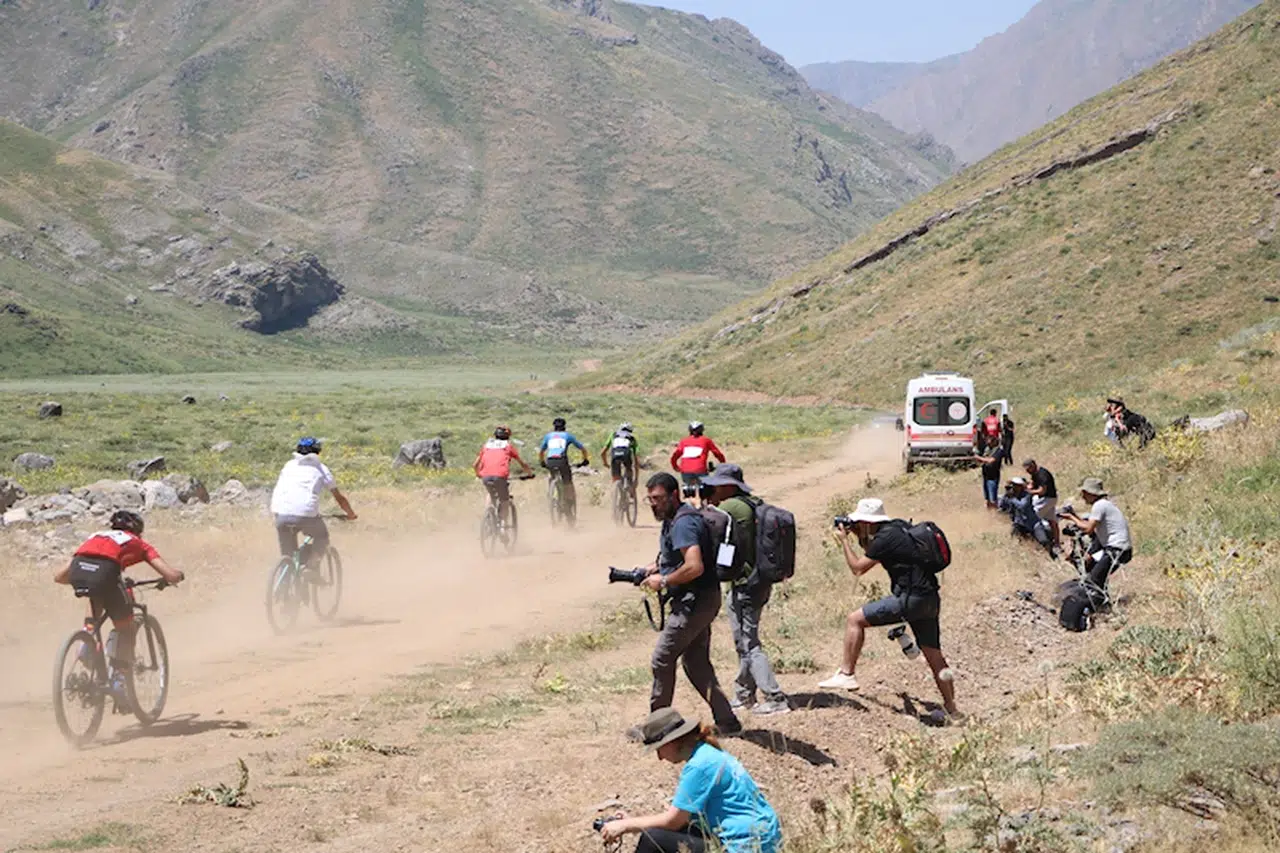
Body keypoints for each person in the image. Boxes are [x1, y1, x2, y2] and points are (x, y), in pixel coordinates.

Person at [820, 498, 959, 720]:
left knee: (855, 619)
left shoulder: (885, 537)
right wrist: (859, 534)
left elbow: (858, 568)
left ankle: (847, 674)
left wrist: (844, 540)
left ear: (866, 520)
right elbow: (874, 551)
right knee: (934, 655)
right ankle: (952, 709)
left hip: (909, 599)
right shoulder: (899, 526)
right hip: (929, 598)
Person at [633, 472, 741, 734]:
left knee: (662, 659)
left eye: (657, 498)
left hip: (695, 602)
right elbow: (679, 557)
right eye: (649, 499)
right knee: (696, 663)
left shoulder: (683, 523)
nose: (653, 504)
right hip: (701, 599)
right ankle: (727, 721)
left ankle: (657, 728)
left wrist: (666, 580)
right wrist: (653, 569)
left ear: (673, 495)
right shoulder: (675, 519)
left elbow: (694, 566)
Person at [601, 707, 781, 853]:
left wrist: (626, 825)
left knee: (652, 839)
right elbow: (686, 819)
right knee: (663, 833)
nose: (660, 758)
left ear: (670, 743)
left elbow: (673, 821)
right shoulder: (709, 753)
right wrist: (634, 823)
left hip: (744, 846)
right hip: (762, 840)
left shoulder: (699, 765)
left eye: (658, 749)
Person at [53, 510, 185, 708]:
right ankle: (119, 681)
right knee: (126, 628)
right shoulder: (138, 543)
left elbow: (59, 576)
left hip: (80, 566)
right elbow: (169, 574)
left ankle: (86, 640)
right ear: (138, 531)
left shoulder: (97, 536)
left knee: (95, 593)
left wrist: (85, 579)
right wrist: (177, 576)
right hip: (106, 571)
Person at [701, 464, 789, 716]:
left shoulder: (731, 506)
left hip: (745, 584)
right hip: (756, 580)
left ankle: (775, 697)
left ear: (728, 486)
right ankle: (744, 694)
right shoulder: (751, 502)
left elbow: (705, 523)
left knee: (749, 644)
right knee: (743, 641)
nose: (712, 489)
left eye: (716, 485)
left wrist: (701, 504)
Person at [270, 437, 358, 574]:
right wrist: (351, 514)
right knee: (322, 537)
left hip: (281, 514)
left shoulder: (288, 465)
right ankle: (311, 568)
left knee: (288, 556)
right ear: (317, 452)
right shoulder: (321, 469)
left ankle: (285, 583)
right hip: (305, 515)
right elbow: (339, 498)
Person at [1059, 478, 1133, 595]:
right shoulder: (1104, 504)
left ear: (1090, 493)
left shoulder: (1099, 505)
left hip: (1117, 549)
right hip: (1116, 548)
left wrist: (1071, 518)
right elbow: (1090, 527)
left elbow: (1088, 529)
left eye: (1084, 493)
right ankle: (1102, 601)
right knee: (1092, 570)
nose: (1083, 497)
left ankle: (1096, 602)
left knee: (1094, 580)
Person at [473, 425, 533, 524]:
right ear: (508, 436)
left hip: (486, 476)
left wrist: (478, 474)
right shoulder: (507, 446)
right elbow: (522, 464)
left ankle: (488, 515)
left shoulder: (487, 445)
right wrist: (530, 474)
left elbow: (475, 465)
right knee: (504, 500)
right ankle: (502, 527)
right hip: (500, 476)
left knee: (491, 494)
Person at [539, 417, 589, 512]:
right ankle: (569, 505)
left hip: (550, 460)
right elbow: (582, 449)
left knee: (553, 476)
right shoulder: (567, 436)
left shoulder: (548, 436)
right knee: (567, 482)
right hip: (562, 460)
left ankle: (551, 494)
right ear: (564, 427)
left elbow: (541, 451)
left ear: (554, 427)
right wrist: (585, 460)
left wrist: (542, 462)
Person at [1000, 477, 1057, 558]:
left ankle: (1051, 554)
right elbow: (1002, 506)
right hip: (1020, 523)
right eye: (1013, 485)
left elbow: (1022, 506)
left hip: (1033, 523)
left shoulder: (1027, 495)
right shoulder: (1010, 495)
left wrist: (1012, 498)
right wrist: (1006, 495)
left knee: (1043, 541)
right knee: (1014, 540)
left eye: (1016, 485)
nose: (1014, 487)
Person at [670, 422, 726, 498]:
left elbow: (675, 455)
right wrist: (722, 463)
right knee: (706, 490)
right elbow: (717, 453)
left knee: (688, 490)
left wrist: (675, 466)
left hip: (685, 470)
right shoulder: (706, 440)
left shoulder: (684, 441)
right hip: (701, 470)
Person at [1023, 459, 1059, 544]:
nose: (1027, 472)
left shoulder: (1042, 475)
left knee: (1034, 517)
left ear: (1033, 466)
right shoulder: (1035, 474)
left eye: (1028, 470)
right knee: (1052, 521)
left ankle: (1038, 539)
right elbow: (1032, 484)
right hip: (1048, 499)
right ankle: (1057, 542)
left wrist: (1029, 492)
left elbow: (1042, 491)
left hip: (1047, 499)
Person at [602, 422, 640, 497]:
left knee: (616, 477)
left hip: (614, 456)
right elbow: (636, 459)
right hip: (626, 456)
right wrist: (636, 479)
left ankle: (616, 490)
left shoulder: (613, 435)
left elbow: (602, 452)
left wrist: (605, 463)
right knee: (629, 470)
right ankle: (630, 488)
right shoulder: (632, 438)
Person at [974, 444, 1003, 509]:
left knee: (993, 499)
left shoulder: (998, 451)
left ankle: (995, 513)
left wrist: (978, 457)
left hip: (993, 477)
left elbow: (991, 461)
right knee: (987, 499)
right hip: (986, 476)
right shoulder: (987, 449)